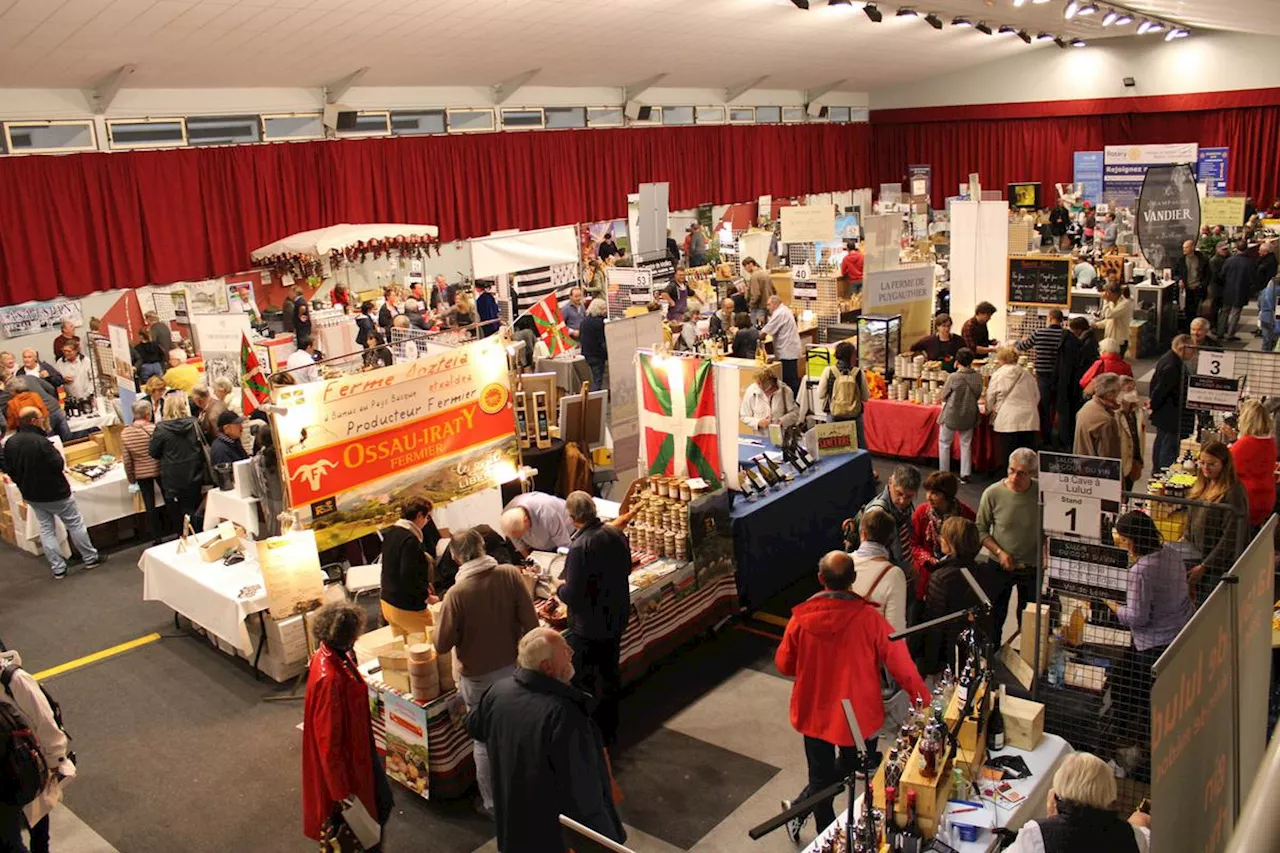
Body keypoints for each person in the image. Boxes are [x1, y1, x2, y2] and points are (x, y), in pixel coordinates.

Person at [776, 550, 929, 842]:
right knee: (859, 765)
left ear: (821, 579)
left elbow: (784, 665)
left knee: (821, 778)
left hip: (814, 709)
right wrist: (925, 701)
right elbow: (901, 665)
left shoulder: (800, 619)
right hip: (857, 715)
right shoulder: (870, 619)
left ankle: (813, 824)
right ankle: (813, 820)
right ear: (854, 579)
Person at [466, 627, 626, 853]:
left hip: (513, 815)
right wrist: (606, 840)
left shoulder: (498, 692)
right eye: (564, 650)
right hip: (551, 828)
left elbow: (474, 727)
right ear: (547, 667)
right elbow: (582, 789)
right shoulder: (564, 714)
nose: (571, 652)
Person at [434, 528, 538, 816]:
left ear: (455, 558)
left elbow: (441, 644)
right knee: (519, 729)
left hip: (477, 677)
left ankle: (492, 803)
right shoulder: (509, 575)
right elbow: (532, 623)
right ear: (483, 547)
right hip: (514, 668)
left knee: (484, 740)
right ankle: (530, 788)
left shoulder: (456, 594)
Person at [302, 602, 393, 850]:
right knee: (364, 825)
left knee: (380, 808)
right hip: (350, 764)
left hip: (358, 751)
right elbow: (329, 743)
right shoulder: (330, 678)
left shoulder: (328, 656)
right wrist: (341, 793)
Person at [1105, 511, 1195, 759]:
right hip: (1179, 634)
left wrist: (1112, 605)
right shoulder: (1171, 555)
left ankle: (1144, 750)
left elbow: (1137, 617)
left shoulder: (1141, 571)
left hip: (1153, 643)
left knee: (1144, 700)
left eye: (1123, 539)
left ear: (1133, 540)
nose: (1121, 543)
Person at [556, 491, 631, 747]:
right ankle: (612, 726)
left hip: (589, 626)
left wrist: (557, 589)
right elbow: (627, 568)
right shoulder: (615, 533)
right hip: (617, 614)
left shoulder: (580, 547)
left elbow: (573, 594)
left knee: (587, 678)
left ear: (573, 516)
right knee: (610, 672)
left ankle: (593, 732)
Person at [3, 407, 104, 579]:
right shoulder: (42, 442)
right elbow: (57, 464)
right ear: (34, 420)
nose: (44, 420)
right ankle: (90, 557)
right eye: (41, 417)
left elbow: (8, 468)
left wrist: (22, 483)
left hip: (32, 494)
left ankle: (58, 568)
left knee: (46, 529)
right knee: (75, 524)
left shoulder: (10, 443)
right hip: (56, 491)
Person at [0, 647, 75, 853]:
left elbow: (46, 722)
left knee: (36, 826)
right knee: (10, 838)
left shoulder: (14, 680)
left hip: (27, 766)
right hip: (6, 775)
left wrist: (54, 763)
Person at [918, 517, 1005, 675]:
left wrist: (929, 667)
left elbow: (934, 627)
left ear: (953, 544)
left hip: (949, 659)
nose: (940, 538)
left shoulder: (941, 578)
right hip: (977, 653)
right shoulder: (986, 573)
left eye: (944, 536)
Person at [977, 448, 1040, 632]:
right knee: (994, 619)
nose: (1014, 477)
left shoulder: (1041, 494)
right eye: (1011, 470)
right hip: (999, 565)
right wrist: (999, 552)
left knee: (1029, 623)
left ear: (1033, 474)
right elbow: (980, 529)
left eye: (1021, 473)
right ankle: (992, 657)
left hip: (1031, 568)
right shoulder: (992, 493)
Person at [1185, 440, 1250, 602]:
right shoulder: (1202, 484)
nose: (1206, 468)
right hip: (1197, 557)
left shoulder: (1233, 492)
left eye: (1212, 464)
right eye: (1202, 463)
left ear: (1224, 464)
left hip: (1218, 566)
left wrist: (1205, 566)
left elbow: (1230, 537)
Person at [910, 472, 976, 605]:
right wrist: (928, 558)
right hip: (926, 575)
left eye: (935, 493)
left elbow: (972, 544)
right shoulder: (922, 512)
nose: (929, 497)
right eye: (927, 491)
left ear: (947, 494)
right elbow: (913, 544)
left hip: (956, 577)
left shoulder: (965, 514)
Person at [149, 392, 208, 534]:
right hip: (195, 473)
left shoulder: (161, 429)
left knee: (177, 515)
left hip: (172, 478)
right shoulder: (194, 423)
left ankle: (183, 540)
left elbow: (153, 452)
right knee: (196, 510)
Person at [378, 497, 437, 637]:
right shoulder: (410, 541)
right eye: (427, 516)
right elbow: (409, 576)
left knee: (405, 648)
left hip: (387, 602)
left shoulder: (392, 533)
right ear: (419, 516)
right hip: (406, 607)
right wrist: (426, 597)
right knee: (429, 644)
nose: (427, 521)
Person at [855, 464, 921, 581]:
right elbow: (869, 554)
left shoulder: (903, 507)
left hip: (903, 568)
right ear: (890, 482)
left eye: (909, 497)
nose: (902, 501)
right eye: (899, 493)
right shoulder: (876, 513)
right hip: (886, 575)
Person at [850, 509, 908, 633]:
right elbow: (895, 630)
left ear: (863, 534)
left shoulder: (843, 562)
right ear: (890, 539)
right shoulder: (894, 574)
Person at [1016, 309, 1067, 444]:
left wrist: (1019, 342)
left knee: (1044, 406)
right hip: (1060, 376)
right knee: (1058, 406)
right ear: (1062, 320)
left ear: (1050, 318)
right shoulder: (1065, 335)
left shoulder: (1039, 333)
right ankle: (1060, 438)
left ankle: (1046, 437)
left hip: (1043, 375)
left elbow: (1022, 347)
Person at [1225, 399, 1277, 528]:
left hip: (1246, 500)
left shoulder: (1243, 445)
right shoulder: (1271, 443)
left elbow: (1226, 467)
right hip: (1266, 499)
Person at [1148, 334, 1195, 473]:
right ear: (1182, 348)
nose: (1193, 352)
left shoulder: (1167, 359)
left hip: (1165, 415)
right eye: (1191, 349)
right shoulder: (1173, 366)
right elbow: (1161, 390)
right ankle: (1163, 474)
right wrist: (1153, 405)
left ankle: (1158, 472)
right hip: (1170, 416)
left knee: (1161, 444)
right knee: (1167, 450)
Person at [121, 398, 165, 545]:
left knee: (149, 505)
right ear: (147, 414)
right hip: (160, 469)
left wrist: (131, 478)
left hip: (141, 473)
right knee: (169, 499)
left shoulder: (125, 433)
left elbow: (127, 460)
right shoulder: (155, 429)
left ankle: (156, 537)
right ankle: (178, 530)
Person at [986, 346, 1040, 463]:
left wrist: (989, 409)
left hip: (1007, 420)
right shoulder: (1027, 374)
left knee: (1008, 457)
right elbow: (1037, 396)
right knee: (1027, 459)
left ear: (1002, 359)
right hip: (1029, 420)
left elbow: (990, 397)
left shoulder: (998, 375)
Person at [939, 347, 983, 482]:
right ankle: (965, 474)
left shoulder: (954, 377)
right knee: (966, 443)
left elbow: (944, 396)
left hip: (952, 414)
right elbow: (978, 394)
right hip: (969, 414)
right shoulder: (978, 377)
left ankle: (944, 473)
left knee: (945, 443)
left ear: (957, 361)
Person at [815, 340, 868, 437]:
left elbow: (820, 394)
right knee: (859, 449)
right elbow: (865, 397)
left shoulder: (828, 371)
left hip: (834, 416)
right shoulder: (859, 373)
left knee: (834, 447)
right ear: (852, 356)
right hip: (854, 417)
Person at [501, 491, 573, 555]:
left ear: (525, 520)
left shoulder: (547, 514)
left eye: (522, 533)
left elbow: (565, 546)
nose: (521, 537)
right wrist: (529, 560)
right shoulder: (508, 514)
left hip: (567, 532)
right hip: (541, 544)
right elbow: (519, 544)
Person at [1074, 372, 1124, 459]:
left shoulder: (1087, 406)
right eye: (1120, 391)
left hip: (1081, 462)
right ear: (1109, 394)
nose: (1122, 394)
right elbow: (1108, 455)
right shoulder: (1106, 421)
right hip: (1095, 468)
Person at [739, 367, 800, 434]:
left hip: (782, 436)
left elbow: (795, 413)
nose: (759, 386)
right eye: (758, 384)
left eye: (763, 385)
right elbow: (744, 416)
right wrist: (758, 422)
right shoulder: (751, 391)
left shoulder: (785, 391)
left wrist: (782, 421)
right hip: (760, 438)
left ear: (772, 384)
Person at [762, 295, 802, 396]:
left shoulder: (779, 313)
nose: (767, 307)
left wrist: (756, 335)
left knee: (789, 380)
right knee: (791, 378)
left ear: (775, 304)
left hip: (787, 351)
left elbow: (766, 331)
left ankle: (793, 402)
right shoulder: (784, 310)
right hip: (789, 349)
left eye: (769, 304)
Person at [1218, 241, 1254, 340]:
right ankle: (1230, 334)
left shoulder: (1229, 260)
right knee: (1235, 313)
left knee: (1224, 312)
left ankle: (1220, 332)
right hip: (1241, 290)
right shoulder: (1249, 262)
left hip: (1228, 290)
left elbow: (1222, 274)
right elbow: (1251, 278)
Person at [1174, 238, 1211, 329]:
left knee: (1196, 310)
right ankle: (1188, 328)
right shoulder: (1181, 260)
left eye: (1186, 247)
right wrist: (1179, 280)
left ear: (1192, 247)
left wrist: (1202, 285)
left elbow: (1208, 274)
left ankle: (1196, 327)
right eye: (1183, 247)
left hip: (1198, 287)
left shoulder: (1202, 259)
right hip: (1186, 289)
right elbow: (1176, 273)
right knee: (1187, 310)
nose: (1184, 249)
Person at [1097, 282, 1134, 356]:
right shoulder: (1112, 303)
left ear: (1114, 294)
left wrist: (1105, 301)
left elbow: (1109, 315)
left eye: (1108, 293)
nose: (1106, 295)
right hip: (1109, 338)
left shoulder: (1125, 304)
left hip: (1119, 340)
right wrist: (1096, 325)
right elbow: (1109, 321)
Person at [579, 298, 608, 392]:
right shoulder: (600, 323)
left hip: (587, 354)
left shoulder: (584, 321)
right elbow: (602, 341)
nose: (605, 311)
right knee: (597, 380)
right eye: (604, 308)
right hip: (597, 355)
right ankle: (595, 400)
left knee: (594, 377)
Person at [743, 257, 773, 325]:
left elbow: (756, 294)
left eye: (745, 266)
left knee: (756, 329)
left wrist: (751, 304)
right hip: (767, 305)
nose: (745, 269)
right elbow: (773, 289)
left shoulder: (754, 276)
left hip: (758, 307)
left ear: (750, 264)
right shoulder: (765, 273)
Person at [1259, 273, 1279, 352]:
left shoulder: (1265, 290)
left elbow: (1259, 304)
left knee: (1266, 340)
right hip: (1275, 319)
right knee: (1275, 341)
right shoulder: (1278, 292)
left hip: (1264, 317)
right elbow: (1278, 308)